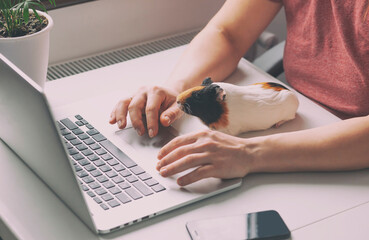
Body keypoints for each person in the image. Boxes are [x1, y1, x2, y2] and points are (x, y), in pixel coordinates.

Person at [109, 0, 369, 186]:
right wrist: (179, 89)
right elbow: (228, 33)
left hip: (351, 156)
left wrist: (250, 154)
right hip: (299, 124)